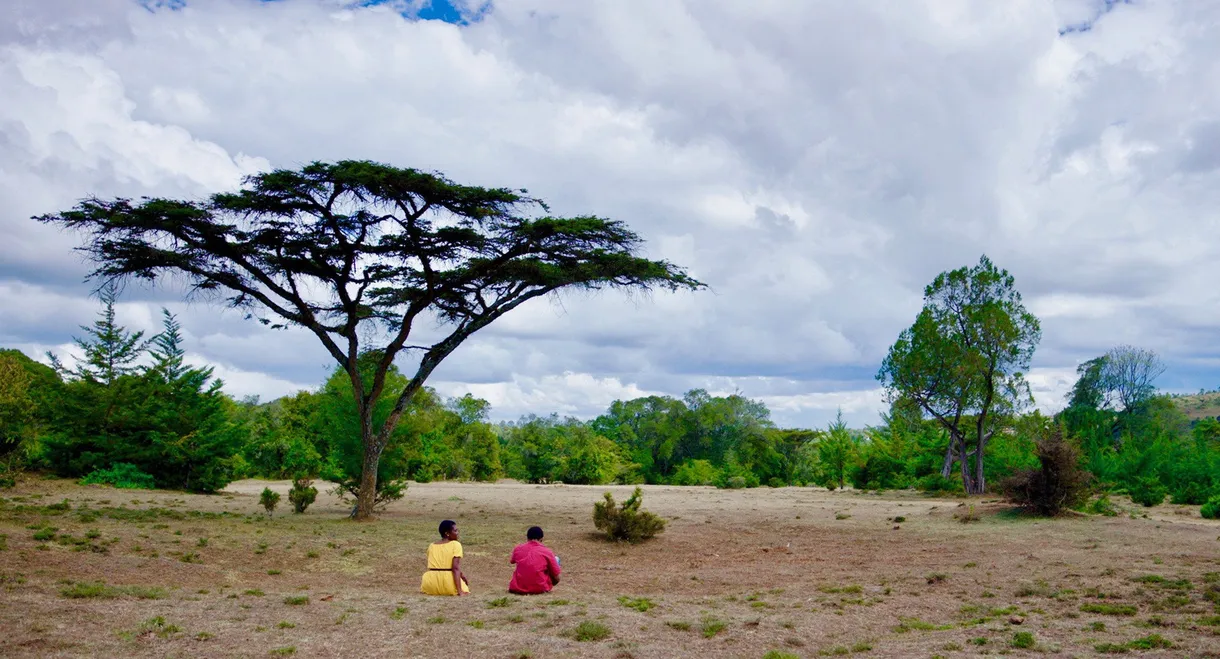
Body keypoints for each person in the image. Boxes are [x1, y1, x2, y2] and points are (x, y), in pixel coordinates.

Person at [420, 520, 470, 596]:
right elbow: (455, 568)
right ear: (447, 533)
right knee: (465, 588)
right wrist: (460, 591)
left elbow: (440, 565)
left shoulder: (431, 546)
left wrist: (461, 575)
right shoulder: (456, 544)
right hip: (447, 582)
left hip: (430, 584)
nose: (457, 533)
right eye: (455, 531)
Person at [508, 526, 561, 595]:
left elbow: (512, 561)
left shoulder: (518, 549)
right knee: (556, 559)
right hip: (540, 588)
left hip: (517, 588)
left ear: (527, 538)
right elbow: (556, 577)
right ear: (541, 539)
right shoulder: (547, 551)